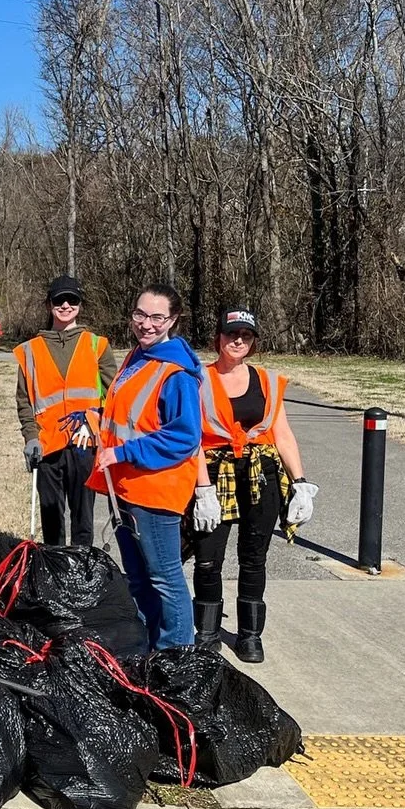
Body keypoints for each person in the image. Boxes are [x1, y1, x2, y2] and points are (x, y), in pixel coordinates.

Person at [188, 307, 317, 662]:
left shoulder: (268, 381)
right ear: (219, 338)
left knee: (254, 558)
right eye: (231, 334)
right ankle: (208, 633)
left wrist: (301, 482)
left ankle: (249, 635)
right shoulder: (196, 378)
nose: (238, 341)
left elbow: (283, 434)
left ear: (253, 341)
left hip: (261, 475)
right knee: (207, 560)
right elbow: (191, 439)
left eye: (245, 335)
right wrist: (203, 489)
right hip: (213, 476)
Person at [90, 283, 203, 650]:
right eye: (140, 314)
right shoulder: (137, 356)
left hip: (154, 491)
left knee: (165, 578)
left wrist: (124, 453)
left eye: (157, 317)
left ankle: (177, 655)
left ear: (172, 320)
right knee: (139, 579)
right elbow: (130, 415)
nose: (146, 324)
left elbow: (185, 436)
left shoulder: (176, 373)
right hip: (124, 486)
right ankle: (147, 646)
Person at [14, 275, 117, 544]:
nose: (66, 305)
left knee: (83, 517)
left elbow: (116, 395)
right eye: (60, 300)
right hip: (47, 445)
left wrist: (95, 421)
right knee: (51, 518)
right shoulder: (30, 351)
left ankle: (81, 570)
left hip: (84, 444)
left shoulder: (97, 345)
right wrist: (31, 437)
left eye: (72, 300)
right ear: (49, 305)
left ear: (80, 305)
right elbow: (24, 401)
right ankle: (54, 571)